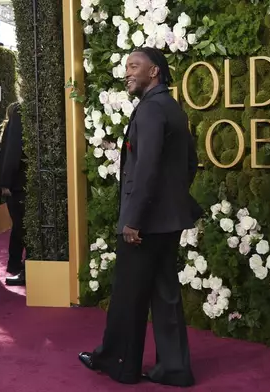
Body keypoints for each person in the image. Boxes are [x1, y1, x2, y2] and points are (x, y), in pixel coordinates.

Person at [78, 47, 202, 387]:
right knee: (165, 294)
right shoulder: (172, 108)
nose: (127, 72)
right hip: (169, 221)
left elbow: (146, 169)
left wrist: (134, 218)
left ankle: (119, 365)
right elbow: (189, 165)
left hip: (144, 223)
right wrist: (170, 202)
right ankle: (174, 369)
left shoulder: (149, 111)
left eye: (134, 66)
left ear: (155, 72)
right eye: (126, 67)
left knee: (128, 296)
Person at [0, 103, 27, 285]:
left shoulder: (20, 114)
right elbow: (11, 151)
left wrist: (6, 180)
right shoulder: (21, 113)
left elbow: (12, 150)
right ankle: (17, 266)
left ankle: (17, 266)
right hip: (20, 182)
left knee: (20, 227)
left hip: (19, 182)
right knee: (20, 227)